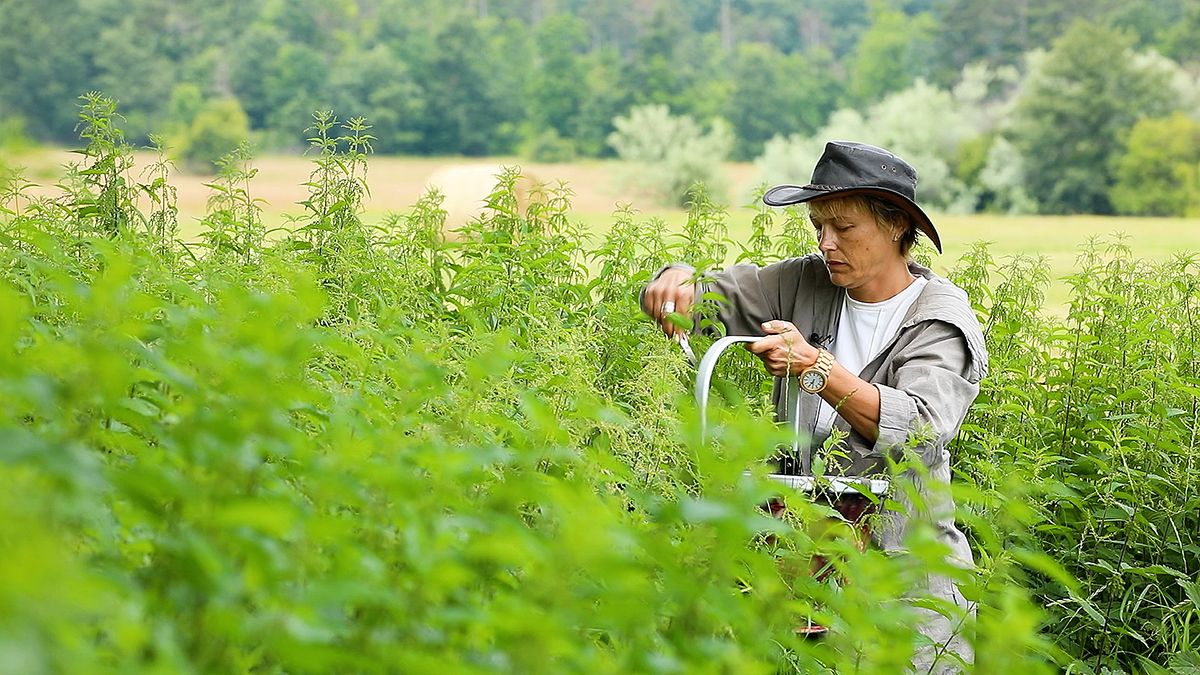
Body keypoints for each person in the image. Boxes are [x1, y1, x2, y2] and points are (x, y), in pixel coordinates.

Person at [640, 141, 987, 672]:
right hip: (802, 581)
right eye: (817, 225)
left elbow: (921, 427)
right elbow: (712, 296)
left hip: (905, 591)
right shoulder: (805, 282)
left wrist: (815, 368)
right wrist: (679, 276)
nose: (827, 242)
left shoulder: (939, 321)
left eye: (843, 227)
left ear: (896, 225)